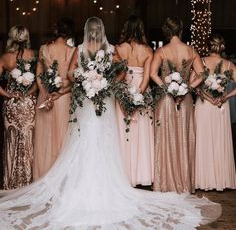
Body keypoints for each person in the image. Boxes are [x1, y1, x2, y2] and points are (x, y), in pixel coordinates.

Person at [0, 17, 220, 229]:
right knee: (99, 138)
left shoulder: (80, 49)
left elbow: (71, 72)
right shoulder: (111, 49)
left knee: (86, 138)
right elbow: (120, 71)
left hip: (89, 99)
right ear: (101, 30)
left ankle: (84, 185)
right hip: (99, 98)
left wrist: (87, 80)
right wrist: (104, 83)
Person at [150, 17, 204, 193]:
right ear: (181, 30)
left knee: (166, 138)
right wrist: (186, 88)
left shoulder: (161, 51)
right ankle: (183, 184)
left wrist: (168, 89)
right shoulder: (191, 50)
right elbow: (201, 74)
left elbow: (152, 74)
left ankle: (165, 183)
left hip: (166, 100)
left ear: (166, 31)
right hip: (186, 99)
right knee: (184, 137)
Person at [33, 18, 76, 180]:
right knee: (64, 137)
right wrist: (62, 92)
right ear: (69, 33)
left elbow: (38, 75)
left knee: (46, 138)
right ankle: (63, 177)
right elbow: (74, 80)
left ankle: (45, 175)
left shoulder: (44, 49)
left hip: (46, 98)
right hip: (64, 98)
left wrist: (46, 93)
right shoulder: (73, 51)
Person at [115, 15, 154, 186]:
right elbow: (146, 78)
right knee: (141, 132)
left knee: (123, 131)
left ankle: (123, 175)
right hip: (140, 88)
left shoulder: (118, 48)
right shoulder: (147, 50)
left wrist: (124, 95)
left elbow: (116, 76)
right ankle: (142, 175)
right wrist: (138, 96)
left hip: (122, 89)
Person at [194, 34, 236, 190]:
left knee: (204, 141)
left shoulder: (201, 62)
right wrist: (227, 96)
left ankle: (203, 180)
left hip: (205, 106)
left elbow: (194, 85)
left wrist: (207, 97)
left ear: (208, 46)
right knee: (219, 142)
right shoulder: (229, 64)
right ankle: (220, 180)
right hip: (221, 107)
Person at [0, 26, 37, 189]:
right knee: (29, 138)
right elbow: (40, 81)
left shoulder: (5, 57)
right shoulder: (33, 55)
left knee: (12, 139)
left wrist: (8, 95)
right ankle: (29, 182)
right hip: (28, 102)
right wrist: (29, 93)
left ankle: (11, 183)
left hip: (12, 104)